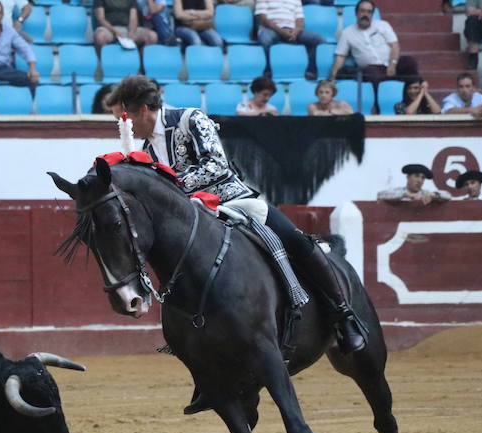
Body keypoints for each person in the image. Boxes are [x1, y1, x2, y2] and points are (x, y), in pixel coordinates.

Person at [104, 75, 367, 363]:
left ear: (143, 109)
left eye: (125, 118)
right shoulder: (146, 151)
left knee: (295, 239)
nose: (123, 127)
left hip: (233, 201)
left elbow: (216, 165)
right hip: (192, 219)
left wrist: (174, 188)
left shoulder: (190, 119)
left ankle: (343, 314)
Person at [329, 1, 419, 87]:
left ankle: (415, 96)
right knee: (371, 71)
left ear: (372, 14)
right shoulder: (347, 33)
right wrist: (332, 78)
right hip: (371, 70)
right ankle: (379, 100)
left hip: (391, 65)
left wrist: (392, 64)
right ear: (356, 13)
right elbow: (340, 56)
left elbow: (394, 46)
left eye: (369, 12)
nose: (366, 15)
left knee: (409, 61)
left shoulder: (383, 25)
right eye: (362, 11)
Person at [255, 0, 325, 80]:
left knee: (319, 40)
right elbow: (263, 18)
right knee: (265, 39)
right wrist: (281, 31)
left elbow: (300, 20)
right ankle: (268, 71)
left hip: (292, 30)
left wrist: (295, 32)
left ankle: (310, 70)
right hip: (271, 29)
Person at [93, 0, 159, 51]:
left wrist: (131, 31)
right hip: (109, 29)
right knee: (99, 37)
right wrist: (115, 32)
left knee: (152, 36)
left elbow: (133, 18)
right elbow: (101, 19)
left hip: (127, 28)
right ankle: (104, 64)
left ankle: (141, 63)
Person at [377, 164, 450, 205]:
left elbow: (448, 195)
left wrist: (434, 195)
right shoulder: (399, 191)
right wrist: (406, 195)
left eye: (423, 178)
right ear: (408, 177)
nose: (420, 180)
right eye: (416, 176)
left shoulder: (425, 194)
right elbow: (380, 195)